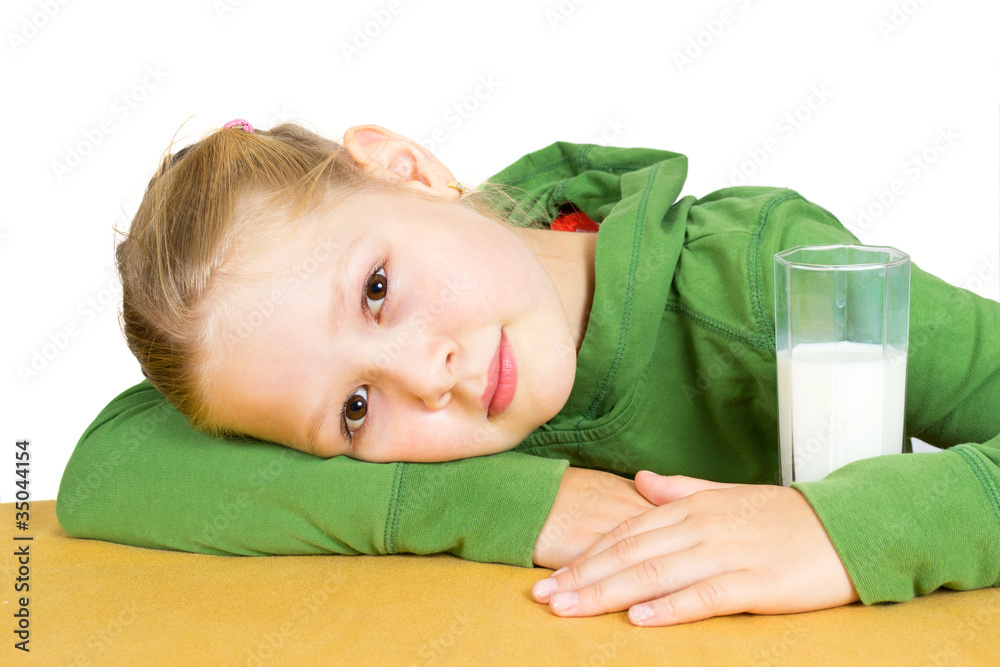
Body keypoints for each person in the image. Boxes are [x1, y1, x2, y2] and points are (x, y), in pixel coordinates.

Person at [57, 119, 1000, 627]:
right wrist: (516, 501)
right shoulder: (442, 436)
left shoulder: (755, 277)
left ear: (411, 171)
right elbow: (107, 469)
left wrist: (829, 529)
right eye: (352, 407)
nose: (426, 378)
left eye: (378, 288)